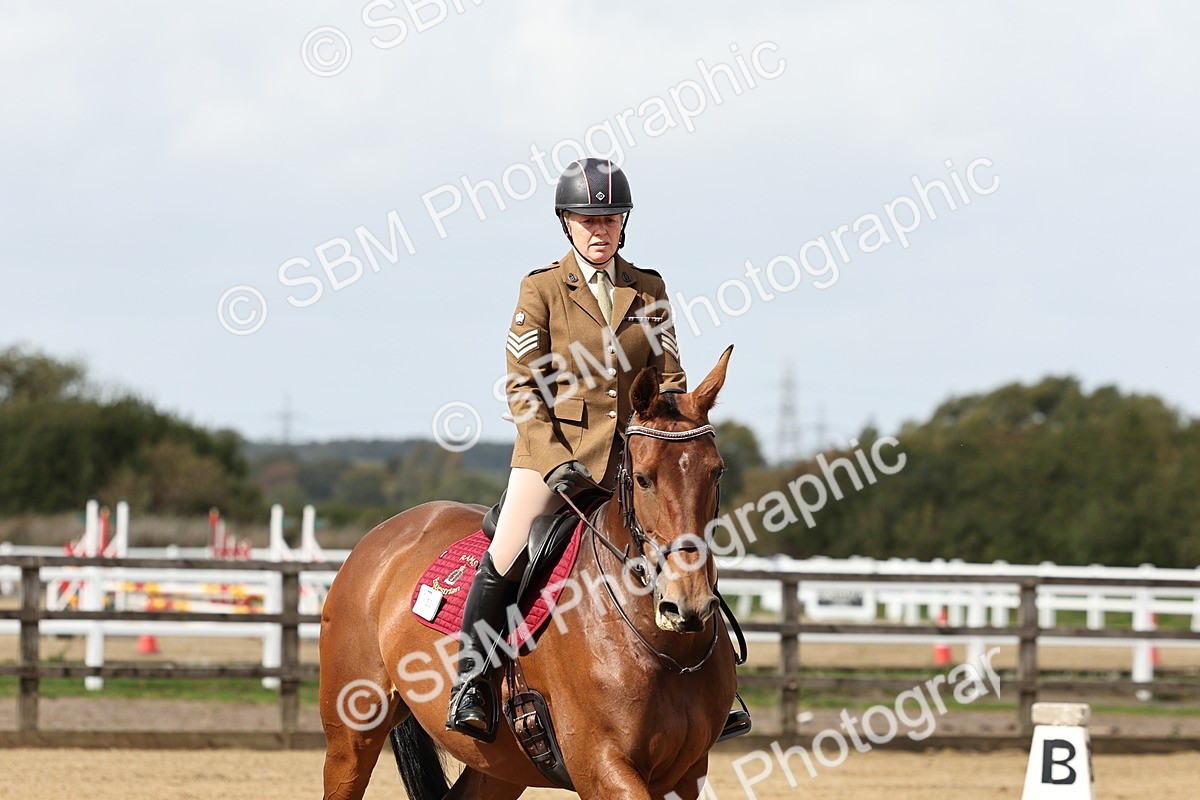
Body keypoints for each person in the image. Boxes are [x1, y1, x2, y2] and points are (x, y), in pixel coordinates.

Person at [445, 158, 684, 738]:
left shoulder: (647, 288)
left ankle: (708, 690)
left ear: (624, 224)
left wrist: (671, 440)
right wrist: (556, 463)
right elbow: (523, 387)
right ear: (567, 223)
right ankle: (471, 684)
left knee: (684, 544)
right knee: (507, 552)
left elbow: (670, 378)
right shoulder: (543, 288)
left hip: (633, 461)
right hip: (552, 456)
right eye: (587, 219)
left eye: (610, 219)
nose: (599, 229)